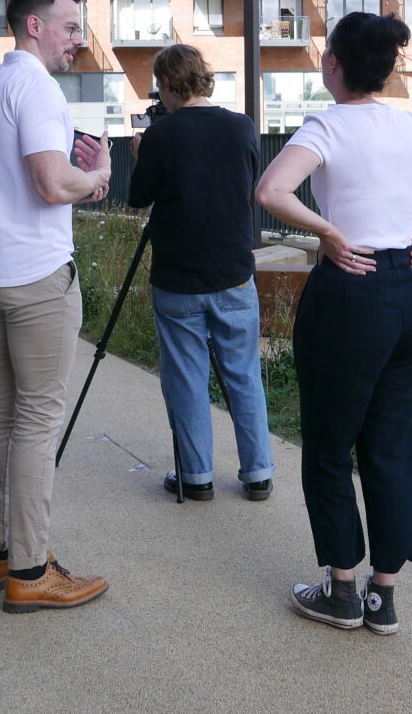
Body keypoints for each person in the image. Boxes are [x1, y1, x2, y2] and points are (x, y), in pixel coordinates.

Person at [254, 12, 412, 636]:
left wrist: (328, 232)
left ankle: (341, 591)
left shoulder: (327, 125)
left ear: (334, 64)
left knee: (330, 445)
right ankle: (383, 598)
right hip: (409, 294)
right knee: (395, 443)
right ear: (383, 68)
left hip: (350, 292)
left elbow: (273, 190)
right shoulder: (409, 127)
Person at [0, 0, 113, 614]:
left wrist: (77, 177)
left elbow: (30, 177)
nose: (78, 40)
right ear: (33, 27)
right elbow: (52, 185)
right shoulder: (39, 89)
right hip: (37, 276)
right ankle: (30, 568)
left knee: (0, 409)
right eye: (70, 27)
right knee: (37, 420)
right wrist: (97, 175)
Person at [126, 45, 273, 503]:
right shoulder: (241, 126)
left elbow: (138, 198)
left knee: (186, 377)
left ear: (169, 84)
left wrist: (141, 152)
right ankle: (259, 473)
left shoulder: (161, 136)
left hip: (177, 279)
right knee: (244, 373)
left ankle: (196, 477)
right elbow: (247, 182)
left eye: (159, 88)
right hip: (232, 271)